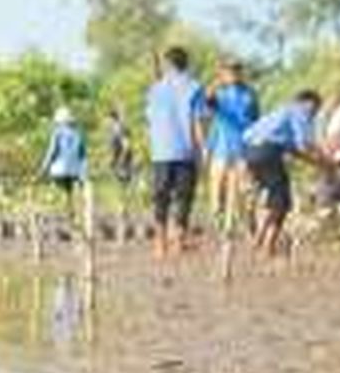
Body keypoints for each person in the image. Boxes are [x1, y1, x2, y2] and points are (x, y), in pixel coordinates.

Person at [243, 90, 329, 255]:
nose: (314, 115)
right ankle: (266, 247)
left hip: (249, 152)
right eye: (316, 109)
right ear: (309, 103)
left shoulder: (282, 111)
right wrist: (325, 161)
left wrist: (318, 163)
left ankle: (259, 241)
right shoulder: (299, 111)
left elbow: (294, 150)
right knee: (282, 202)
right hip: (267, 152)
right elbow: (304, 144)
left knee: (275, 199)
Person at [145, 46, 206, 257]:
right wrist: (203, 151)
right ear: (186, 64)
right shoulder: (195, 87)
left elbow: (151, 117)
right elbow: (197, 122)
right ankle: (178, 243)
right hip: (185, 151)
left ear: (167, 65)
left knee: (160, 198)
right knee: (184, 198)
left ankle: (160, 245)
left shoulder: (155, 89)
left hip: (160, 151)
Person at [204, 58, 259, 224]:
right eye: (229, 70)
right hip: (220, 148)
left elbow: (256, 121)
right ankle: (218, 220)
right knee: (216, 194)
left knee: (236, 195)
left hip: (241, 149)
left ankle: (230, 232)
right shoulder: (220, 93)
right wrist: (218, 81)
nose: (233, 73)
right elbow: (208, 102)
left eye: (236, 70)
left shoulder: (249, 94)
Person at [40, 106, 87, 210]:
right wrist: (82, 174)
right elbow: (82, 156)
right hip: (74, 171)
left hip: (59, 170)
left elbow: (52, 152)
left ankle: (54, 204)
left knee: (54, 188)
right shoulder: (78, 134)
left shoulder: (57, 133)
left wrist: (43, 168)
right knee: (68, 193)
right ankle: (69, 210)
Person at [106, 107, 134, 188]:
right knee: (114, 169)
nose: (108, 121)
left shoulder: (120, 127)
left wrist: (122, 156)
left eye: (109, 118)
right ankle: (126, 186)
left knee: (124, 173)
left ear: (112, 118)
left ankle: (128, 186)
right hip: (118, 154)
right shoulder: (114, 127)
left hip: (123, 154)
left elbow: (126, 142)